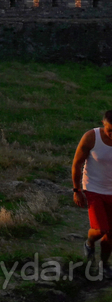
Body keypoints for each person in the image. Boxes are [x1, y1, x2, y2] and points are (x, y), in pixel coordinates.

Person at [72, 110, 112, 276]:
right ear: (104, 123)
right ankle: (89, 243)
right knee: (101, 229)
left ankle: (104, 264)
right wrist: (77, 190)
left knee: (111, 234)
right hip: (94, 189)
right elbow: (77, 163)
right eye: (111, 130)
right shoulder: (91, 137)